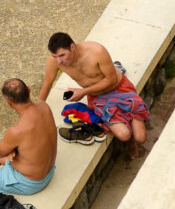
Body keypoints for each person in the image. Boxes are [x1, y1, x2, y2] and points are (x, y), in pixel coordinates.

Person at [39, 32, 150, 160]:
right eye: (55, 56)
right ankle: (129, 141)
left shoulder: (96, 51)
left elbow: (111, 80)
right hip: (98, 98)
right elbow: (47, 84)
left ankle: (117, 71)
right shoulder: (55, 61)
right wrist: (37, 109)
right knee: (124, 135)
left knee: (140, 137)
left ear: (72, 47)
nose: (59, 61)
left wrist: (83, 92)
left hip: (120, 88)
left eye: (62, 55)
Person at [0, 79, 57, 208]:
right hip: (49, 170)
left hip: (31, 183)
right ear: (29, 89)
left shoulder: (17, 130)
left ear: (8, 102)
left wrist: (11, 149)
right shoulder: (44, 106)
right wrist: (13, 148)